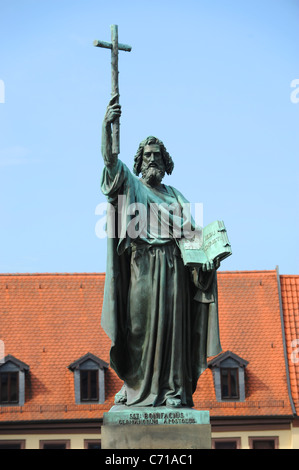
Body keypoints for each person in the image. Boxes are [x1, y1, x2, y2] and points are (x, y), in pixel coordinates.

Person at [100, 95, 221, 408]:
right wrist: (108, 127)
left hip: (175, 271)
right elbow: (111, 165)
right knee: (137, 327)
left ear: (166, 162)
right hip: (142, 267)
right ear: (139, 161)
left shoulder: (177, 196)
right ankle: (135, 387)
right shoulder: (133, 185)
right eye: (147, 155)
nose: (152, 159)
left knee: (172, 333)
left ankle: (172, 391)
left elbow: (193, 239)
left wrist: (208, 261)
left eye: (157, 155)